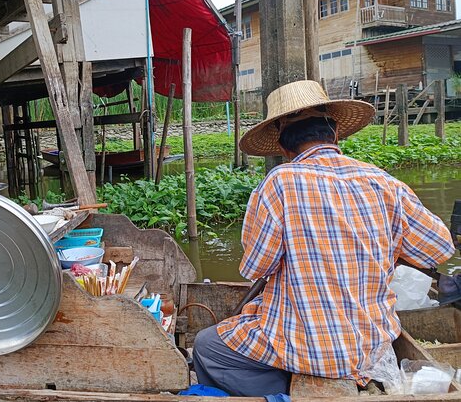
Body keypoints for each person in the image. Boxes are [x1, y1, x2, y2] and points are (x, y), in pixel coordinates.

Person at [192, 80, 455, 397]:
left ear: (284, 145)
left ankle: (290, 391)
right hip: (371, 345)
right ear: (333, 132)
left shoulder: (280, 183)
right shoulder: (383, 181)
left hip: (310, 349)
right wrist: (388, 248)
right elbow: (439, 248)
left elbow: (256, 267)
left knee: (206, 346)